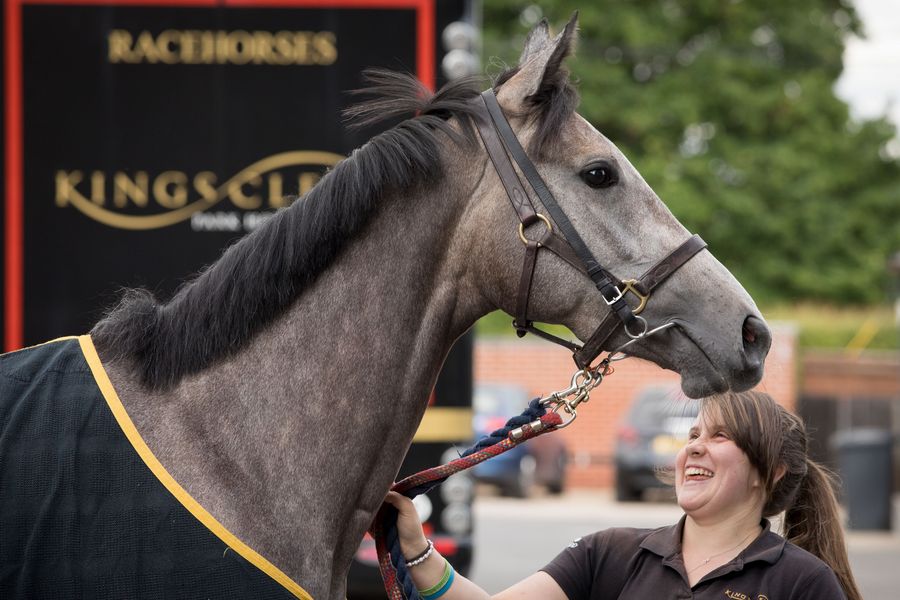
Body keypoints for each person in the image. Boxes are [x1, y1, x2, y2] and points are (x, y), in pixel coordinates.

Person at [384, 390, 862, 599]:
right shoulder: (610, 554)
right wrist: (415, 548)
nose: (693, 446)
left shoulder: (803, 583)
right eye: (693, 435)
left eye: (719, 437)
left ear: (770, 473)